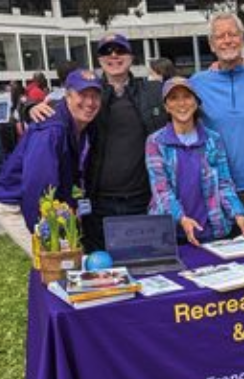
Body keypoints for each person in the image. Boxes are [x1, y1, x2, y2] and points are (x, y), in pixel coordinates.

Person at [0, 69, 100, 256]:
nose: (89, 102)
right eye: (82, 95)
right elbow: (38, 187)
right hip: (16, 204)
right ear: (68, 96)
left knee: (67, 260)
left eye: (95, 96)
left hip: (47, 201)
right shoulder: (52, 130)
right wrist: (48, 236)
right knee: (54, 262)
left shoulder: (82, 125)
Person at [190, 12, 244, 235]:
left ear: (242, 39)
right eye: (220, 36)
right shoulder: (196, 84)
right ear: (211, 44)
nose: (227, 40)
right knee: (221, 261)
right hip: (214, 188)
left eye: (233, 34)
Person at [81, 33, 168, 253]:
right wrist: (30, 108)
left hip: (143, 199)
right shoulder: (90, 96)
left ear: (131, 57)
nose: (114, 56)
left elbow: (187, 99)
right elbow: (60, 110)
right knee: (101, 268)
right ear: (99, 60)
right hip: (100, 202)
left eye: (120, 50)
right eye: (107, 52)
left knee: (145, 264)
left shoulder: (152, 92)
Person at [145, 77, 244, 245]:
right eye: (174, 98)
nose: (182, 103)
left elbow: (224, 184)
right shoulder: (155, 142)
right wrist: (181, 218)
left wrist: (238, 213)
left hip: (212, 231)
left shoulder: (213, 139)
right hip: (172, 233)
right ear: (166, 107)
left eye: (187, 97)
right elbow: (161, 190)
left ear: (196, 102)